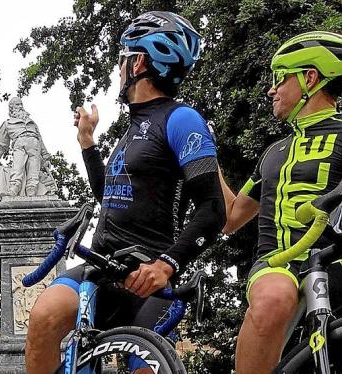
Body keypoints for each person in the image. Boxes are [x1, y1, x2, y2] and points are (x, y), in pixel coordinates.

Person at [25, 11, 226, 373]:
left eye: (122, 59)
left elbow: (212, 209)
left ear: (139, 62)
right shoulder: (132, 129)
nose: (118, 70)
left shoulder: (180, 119)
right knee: (43, 317)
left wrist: (167, 264)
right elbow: (110, 196)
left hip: (149, 272)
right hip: (102, 266)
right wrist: (87, 143)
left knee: (142, 367)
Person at [220, 31, 342, 373]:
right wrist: (204, 156)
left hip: (335, 261)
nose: (272, 90)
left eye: (280, 78)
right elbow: (230, 218)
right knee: (274, 297)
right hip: (279, 265)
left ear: (310, 78)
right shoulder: (273, 152)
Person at [0, 97, 53, 196]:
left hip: (35, 146)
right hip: (19, 145)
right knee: (17, 169)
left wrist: (45, 157)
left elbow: (40, 140)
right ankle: (13, 190)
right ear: (11, 107)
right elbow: (1, 143)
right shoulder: (7, 124)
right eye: (17, 104)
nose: (20, 107)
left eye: (21, 104)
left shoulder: (32, 123)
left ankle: (32, 193)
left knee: (34, 172)